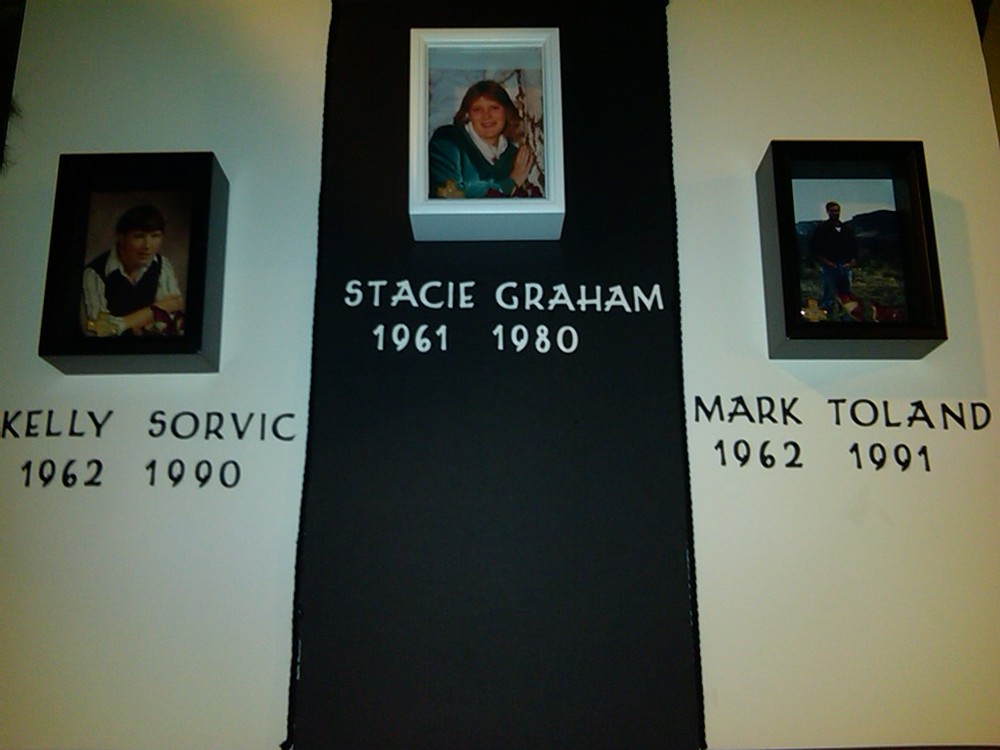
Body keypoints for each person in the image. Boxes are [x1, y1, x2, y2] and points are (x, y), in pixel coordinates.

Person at [81, 204, 185, 336]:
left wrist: (124, 323)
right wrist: (155, 311)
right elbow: (100, 329)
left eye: (155, 236)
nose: (147, 245)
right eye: (139, 236)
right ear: (121, 237)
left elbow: (172, 316)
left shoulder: (161, 264)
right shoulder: (94, 272)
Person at [428, 80, 541, 199]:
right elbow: (448, 192)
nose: (486, 115)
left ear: (506, 112)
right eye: (477, 109)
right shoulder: (448, 139)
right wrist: (510, 183)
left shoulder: (515, 156)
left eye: (494, 108)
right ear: (467, 114)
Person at [809, 200, 858, 314]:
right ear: (827, 212)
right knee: (829, 295)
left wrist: (852, 262)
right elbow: (814, 248)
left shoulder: (846, 229)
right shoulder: (822, 229)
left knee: (846, 295)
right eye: (832, 211)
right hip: (829, 267)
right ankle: (828, 315)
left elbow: (854, 246)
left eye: (836, 211)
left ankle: (845, 315)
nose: (835, 213)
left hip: (845, 266)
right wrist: (825, 262)